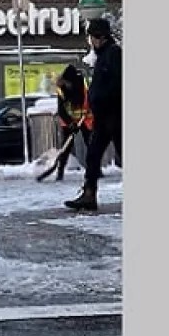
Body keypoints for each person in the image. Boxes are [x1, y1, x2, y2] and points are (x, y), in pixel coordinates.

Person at [66, 18, 122, 211]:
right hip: (102, 117)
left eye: (92, 37)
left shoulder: (114, 54)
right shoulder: (102, 56)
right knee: (93, 154)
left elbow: (117, 84)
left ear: (101, 37)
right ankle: (89, 195)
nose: (91, 41)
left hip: (115, 115)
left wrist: (102, 98)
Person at [50, 63, 94, 182]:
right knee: (66, 147)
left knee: (91, 144)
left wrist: (85, 115)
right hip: (69, 120)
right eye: (65, 82)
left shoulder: (83, 87)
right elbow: (61, 110)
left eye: (68, 82)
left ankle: (94, 170)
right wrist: (70, 123)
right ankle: (60, 170)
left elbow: (88, 103)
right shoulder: (61, 89)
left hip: (85, 119)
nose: (67, 85)